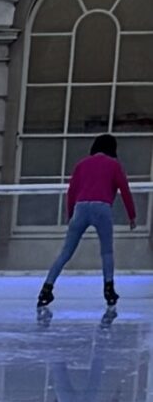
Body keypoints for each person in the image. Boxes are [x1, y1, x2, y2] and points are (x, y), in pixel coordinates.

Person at [40, 132, 135, 313]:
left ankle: (47, 288)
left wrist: (70, 213)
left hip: (81, 207)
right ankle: (109, 289)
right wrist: (132, 215)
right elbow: (125, 189)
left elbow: (72, 190)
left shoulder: (81, 164)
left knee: (66, 252)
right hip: (102, 207)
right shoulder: (114, 165)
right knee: (106, 251)